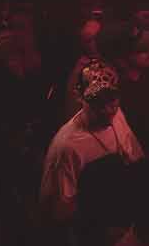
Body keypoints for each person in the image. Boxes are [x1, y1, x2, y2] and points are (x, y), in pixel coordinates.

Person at [39, 59, 143, 222]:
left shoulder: (117, 115)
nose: (107, 109)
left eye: (111, 99)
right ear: (79, 97)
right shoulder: (67, 147)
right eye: (98, 102)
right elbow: (58, 212)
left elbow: (136, 160)